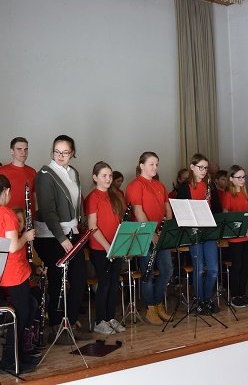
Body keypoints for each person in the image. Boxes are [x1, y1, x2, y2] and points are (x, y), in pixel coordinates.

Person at [34, 135, 91, 342]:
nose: (60, 156)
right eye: (57, 152)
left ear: (72, 153)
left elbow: (76, 203)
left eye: (65, 152)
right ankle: (56, 327)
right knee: (58, 281)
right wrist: (61, 238)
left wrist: (79, 225)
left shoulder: (73, 172)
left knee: (79, 278)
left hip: (71, 232)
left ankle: (71, 322)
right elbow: (48, 211)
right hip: (52, 236)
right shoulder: (45, 174)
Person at [0, 174, 39, 373]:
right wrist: (26, 236)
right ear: (6, 192)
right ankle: (10, 360)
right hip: (14, 271)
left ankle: (18, 355)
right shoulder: (6, 213)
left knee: (28, 307)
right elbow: (13, 247)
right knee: (21, 314)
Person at [125, 151, 173, 325]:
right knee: (148, 272)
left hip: (161, 234)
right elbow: (138, 211)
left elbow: (167, 209)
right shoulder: (135, 185)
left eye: (156, 164)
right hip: (145, 235)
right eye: (151, 164)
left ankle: (158, 303)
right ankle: (150, 308)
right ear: (142, 165)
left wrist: (165, 229)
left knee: (167, 270)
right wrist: (151, 233)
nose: (155, 167)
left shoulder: (160, 185)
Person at [176, 154, 221, 313]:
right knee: (199, 269)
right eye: (200, 167)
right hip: (193, 232)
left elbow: (217, 209)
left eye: (205, 168)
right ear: (192, 167)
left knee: (213, 270)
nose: (203, 170)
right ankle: (199, 301)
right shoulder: (184, 187)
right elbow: (180, 212)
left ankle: (207, 299)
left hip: (209, 232)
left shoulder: (210, 186)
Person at [85, 161, 126, 334]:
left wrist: (119, 245)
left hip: (116, 246)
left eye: (110, 175)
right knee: (105, 284)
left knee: (114, 284)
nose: (108, 179)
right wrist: (108, 246)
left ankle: (110, 318)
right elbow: (92, 227)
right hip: (101, 248)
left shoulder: (115, 195)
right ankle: (99, 321)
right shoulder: (93, 197)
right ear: (95, 177)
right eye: (104, 176)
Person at [222, 165, 248, 308]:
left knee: (245, 267)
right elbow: (227, 218)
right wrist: (243, 231)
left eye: (244, 177)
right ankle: (235, 296)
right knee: (237, 266)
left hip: (247, 237)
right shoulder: (228, 195)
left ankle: (242, 294)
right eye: (239, 177)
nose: (243, 180)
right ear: (231, 179)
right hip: (235, 237)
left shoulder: (247, 195)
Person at [0, 137, 37, 212]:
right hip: (9, 216)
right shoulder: (1, 172)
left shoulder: (32, 171)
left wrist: (37, 211)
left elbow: (34, 194)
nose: (23, 152)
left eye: (26, 149)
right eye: (19, 149)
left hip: (29, 217)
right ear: (12, 151)